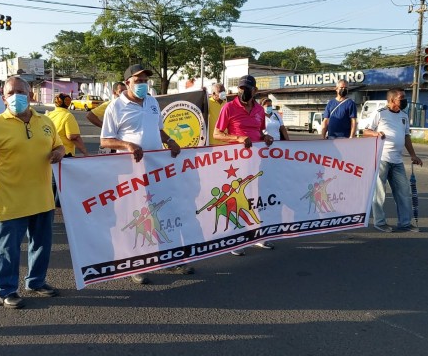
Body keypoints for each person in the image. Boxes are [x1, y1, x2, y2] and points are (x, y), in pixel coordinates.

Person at [0, 77, 66, 309]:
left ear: (31, 95)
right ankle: (7, 290)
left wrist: (59, 151)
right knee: (6, 250)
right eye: (11, 93)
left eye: (21, 92)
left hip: (42, 198)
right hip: (10, 201)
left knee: (41, 245)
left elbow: (58, 144)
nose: (16, 96)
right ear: (4, 97)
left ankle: (36, 281)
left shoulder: (46, 121)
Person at [100, 64, 193, 284]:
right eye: (138, 80)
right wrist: (127, 145)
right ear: (127, 83)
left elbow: (158, 128)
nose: (142, 84)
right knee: (137, 216)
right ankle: (137, 263)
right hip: (132, 171)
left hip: (156, 168)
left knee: (163, 212)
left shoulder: (152, 102)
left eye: (145, 80)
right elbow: (105, 140)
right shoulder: (115, 107)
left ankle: (169, 259)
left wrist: (169, 140)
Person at [214, 75, 275, 256]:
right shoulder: (229, 107)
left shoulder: (259, 110)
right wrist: (238, 138)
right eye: (241, 88)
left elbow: (260, 131)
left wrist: (265, 137)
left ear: (255, 90)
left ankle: (257, 235)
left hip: (257, 161)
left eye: (247, 88)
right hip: (236, 164)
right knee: (238, 200)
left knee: (257, 197)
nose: (243, 91)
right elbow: (217, 133)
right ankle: (237, 238)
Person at [364, 88, 422, 233]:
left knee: (403, 192)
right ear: (391, 100)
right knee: (379, 193)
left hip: (397, 161)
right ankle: (379, 222)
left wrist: (413, 155)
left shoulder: (403, 115)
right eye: (401, 98)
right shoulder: (380, 113)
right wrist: (376, 133)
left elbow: (406, 136)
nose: (404, 100)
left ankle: (405, 223)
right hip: (381, 159)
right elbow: (365, 131)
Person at [48, 93, 88, 157]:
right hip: (65, 154)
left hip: (49, 153)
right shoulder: (68, 116)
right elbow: (73, 137)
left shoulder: (48, 115)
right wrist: (85, 153)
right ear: (68, 103)